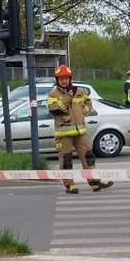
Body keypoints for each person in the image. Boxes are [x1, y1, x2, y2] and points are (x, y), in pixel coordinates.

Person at [47, 65, 114, 195]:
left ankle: (94, 182)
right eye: (61, 79)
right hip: (64, 133)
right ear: (57, 80)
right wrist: (67, 97)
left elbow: (88, 102)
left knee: (88, 157)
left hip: (80, 132)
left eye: (66, 79)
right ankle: (69, 185)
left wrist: (84, 112)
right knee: (66, 160)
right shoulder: (53, 94)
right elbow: (54, 109)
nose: (64, 81)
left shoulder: (79, 91)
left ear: (70, 79)